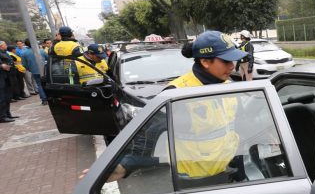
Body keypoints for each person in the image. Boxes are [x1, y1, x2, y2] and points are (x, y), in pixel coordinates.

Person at [100, 30, 248, 182]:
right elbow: (147, 136)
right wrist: (124, 166)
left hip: (231, 168)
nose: (232, 66)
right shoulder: (177, 94)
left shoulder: (228, 86)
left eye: (233, 61)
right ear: (205, 61)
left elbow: (242, 121)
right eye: (226, 61)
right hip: (197, 179)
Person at [0, 41, 18, 122]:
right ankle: (2, 116)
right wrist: (2, 65)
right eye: (5, 45)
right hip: (2, 77)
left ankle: (7, 114)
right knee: (2, 98)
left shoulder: (4, 52)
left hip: (7, 77)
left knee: (7, 97)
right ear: (1, 46)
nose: (6, 46)